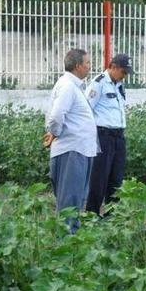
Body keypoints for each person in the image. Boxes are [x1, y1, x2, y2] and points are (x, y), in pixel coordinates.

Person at [43, 49, 98, 233]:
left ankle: (71, 244)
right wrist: (55, 133)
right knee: (69, 203)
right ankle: (65, 247)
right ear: (77, 66)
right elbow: (56, 115)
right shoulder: (67, 86)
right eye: (88, 63)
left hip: (80, 150)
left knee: (75, 201)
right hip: (71, 152)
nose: (90, 67)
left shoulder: (74, 86)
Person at [85, 53, 133, 216]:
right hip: (103, 136)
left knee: (116, 178)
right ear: (112, 67)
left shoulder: (118, 84)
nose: (125, 76)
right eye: (123, 72)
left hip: (118, 137)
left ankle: (112, 215)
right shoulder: (98, 84)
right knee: (99, 177)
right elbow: (86, 109)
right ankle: (92, 215)